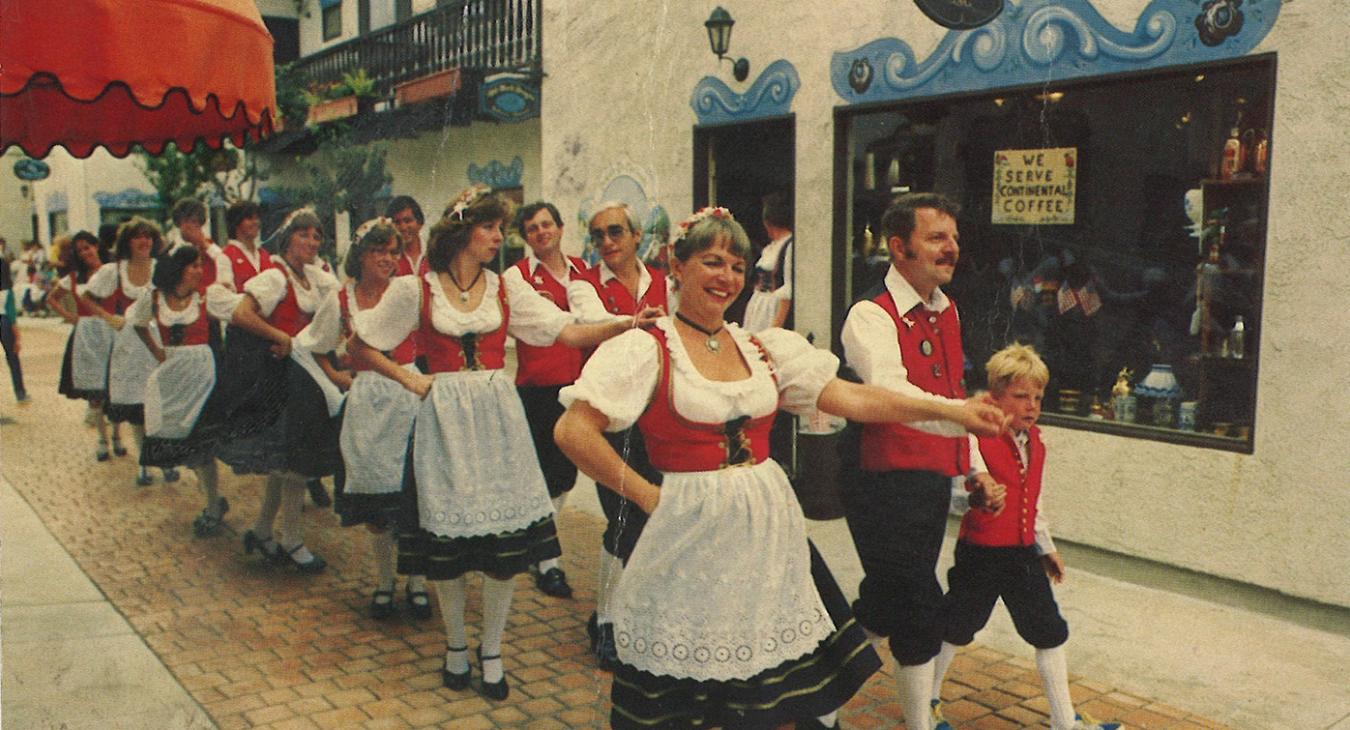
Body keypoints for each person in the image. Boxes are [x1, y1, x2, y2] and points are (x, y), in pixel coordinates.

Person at [554, 207, 1006, 729]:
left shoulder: (762, 346)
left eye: (738, 268)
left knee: (770, 682)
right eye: (712, 262)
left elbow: (855, 399)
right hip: (691, 528)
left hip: (767, 528)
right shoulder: (647, 347)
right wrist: (648, 497)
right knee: (692, 678)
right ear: (676, 267)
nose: (727, 278)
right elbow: (573, 430)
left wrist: (952, 411)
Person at [348, 184, 659, 702]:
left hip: (497, 419)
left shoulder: (506, 288)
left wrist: (626, 322)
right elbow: (360, 345)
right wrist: (414, 381)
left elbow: (564, 330)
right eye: (490, 227)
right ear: (463, 231)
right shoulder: (415, 290)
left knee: (504, 543)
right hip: (444, 419)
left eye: (499, 228)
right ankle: (455, 646)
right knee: (447, 543)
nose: (499, 237)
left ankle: (491, 651)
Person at [839, 192, 1005, 730]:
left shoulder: (947, 310)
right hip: (880, 481)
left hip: (928, 482)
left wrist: (975, 465)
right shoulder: (869, 314)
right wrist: (962, 417)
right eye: (937, 238)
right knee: (919, 608)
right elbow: (891, 394)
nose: (951, 248)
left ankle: (813, 707)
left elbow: (955, 393)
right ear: (898, 247)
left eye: (954, 238)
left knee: (884, 605)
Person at [931, 344, 1121, 730]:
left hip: (1020, 555)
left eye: (1037, 397)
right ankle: (927, 700)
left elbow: (1032, 503)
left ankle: (1064, 721)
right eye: (1020, 396)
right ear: (995, 397)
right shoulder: (973, 438)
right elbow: (952, 496)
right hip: (980, 553)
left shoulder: (1035, 442)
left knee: (1049, 631)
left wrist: (1046, 547)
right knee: (957, 625)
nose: (1031, 405)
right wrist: (975, 497)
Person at [304, 218, 430, 619]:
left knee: (414, 496)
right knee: (377, 501)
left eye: (395, 252)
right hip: (368, 403)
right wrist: (337, 376)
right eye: (380, 251)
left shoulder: (408, 294)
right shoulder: (341, 299)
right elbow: (317, 346)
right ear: (360, 255)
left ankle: (417, 582)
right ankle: (384, 580)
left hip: (408, 395)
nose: (389, 260)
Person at [566, 200, 669, 669]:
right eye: (598, 235)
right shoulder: (585, 286)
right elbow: (589, 330)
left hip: (659, 417)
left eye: (615, 232)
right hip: (608, 418)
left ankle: (631, 610)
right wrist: (632, 323)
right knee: (623, 518)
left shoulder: (666, 280)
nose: (606, 242)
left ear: (635, 236)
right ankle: (605, 619)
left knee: (652, 520)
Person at [217, 208, 340, 573]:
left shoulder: (313, 279)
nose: (312, 242)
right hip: (281, 379)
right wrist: (279, 336)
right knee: (294, 464)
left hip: (306, 376)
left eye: (317, 237)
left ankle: (262, 530)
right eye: (304, 235)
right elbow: (241, 313)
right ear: (287, 239)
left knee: (286, 464)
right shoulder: (275, 276)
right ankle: (292, 538)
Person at [503, 201, 588, 599]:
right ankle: (547, 561)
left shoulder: (584, 272)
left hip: (581, 386)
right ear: (525, 237)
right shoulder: (517, 277)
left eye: (547, 224)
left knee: (565, 475)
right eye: (533, 228)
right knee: (544, 475)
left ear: (560, 227)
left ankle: (538, 548)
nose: (541, 232)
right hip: (538, 388)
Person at [129, 246, 230, 536]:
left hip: (203, 375)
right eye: (192, 265)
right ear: (177, 268)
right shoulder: (156, 297)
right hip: (173, 374)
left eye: (200, 265)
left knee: (201, 446)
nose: (199, 270)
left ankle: (212, 505)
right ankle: (212, 500)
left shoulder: (207, 297)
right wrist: (158, 352)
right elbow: (137, 323)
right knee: (183, 441)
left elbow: (240, 312)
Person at [80, 218, 180, 486]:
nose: (144, 241)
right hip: (130, 344)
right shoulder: (115, 270)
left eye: (148, 236)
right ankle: (144, 462)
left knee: (162, 402)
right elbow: (87, 297)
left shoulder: (162, 268)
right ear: (128, 242)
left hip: (159, 338)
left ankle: (166, 458)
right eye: (138, 236)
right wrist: (107, 317)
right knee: (137, 405)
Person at [50, 231, 119, 454]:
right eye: (80, 250)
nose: (85, 253)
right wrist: (70, 316)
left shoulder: (113, 272)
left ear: (97, 246)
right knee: (95, 392)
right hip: (86, 335)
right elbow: (51, 298)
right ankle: (102, 440)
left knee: (116, 389)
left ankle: (117, 435)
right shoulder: (74, 277)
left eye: (88, 247)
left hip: (110, 332)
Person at [742, 191, 794, 333]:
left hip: (772, 308)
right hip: (759, 305)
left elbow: (788, 292)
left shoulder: (790, 245)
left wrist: (775, 329)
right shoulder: (771, 247)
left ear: (768, 221)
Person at [0, 236, 30, 405]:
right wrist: (17, 338)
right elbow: (12, 317)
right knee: (13, 358)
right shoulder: (7, 292)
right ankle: (20, 392)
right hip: (4, 321)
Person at [386, 195, 429, 276]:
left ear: (420, 223)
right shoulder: (389, 259)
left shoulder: (433, 253)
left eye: (408, 221)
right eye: (397, 222)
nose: (403, 227)